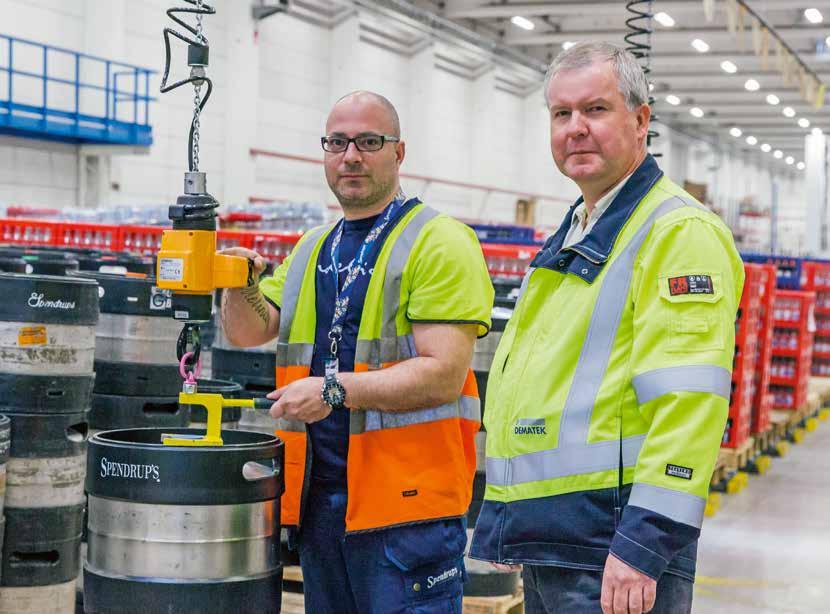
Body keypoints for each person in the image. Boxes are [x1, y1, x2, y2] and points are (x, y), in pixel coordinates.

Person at [470, 42, 744, 614]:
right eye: (561, 114)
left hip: (613, 545)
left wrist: (645, 543)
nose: (575, 129)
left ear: (641, 121)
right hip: (562, 538)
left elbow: (689, 404)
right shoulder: (581, 227)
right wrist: (503, 517)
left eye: (595, 109)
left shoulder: (677, 233)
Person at [220, 90, 494, 613]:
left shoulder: (439, 241)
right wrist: (240, 283)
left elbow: (443, 374)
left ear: (399, 152)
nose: (351, 156)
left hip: (408, 510)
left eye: (369, 142)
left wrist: (333, 390)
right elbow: (249, 332)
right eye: (338, 142)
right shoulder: (310, 248)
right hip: (321, 504)